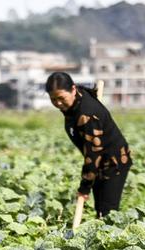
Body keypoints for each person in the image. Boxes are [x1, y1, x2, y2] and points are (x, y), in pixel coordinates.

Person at [46, 71, 132, 217]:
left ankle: (113, 237)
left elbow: (93, 153)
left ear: (73, 89)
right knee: (99, 209)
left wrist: (84, 187)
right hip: (98, 162)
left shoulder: (87, 114)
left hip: (113, 162)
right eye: (53, 99)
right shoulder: (75, 101)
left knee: (107, 212)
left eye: (61, 98)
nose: (58, 103)